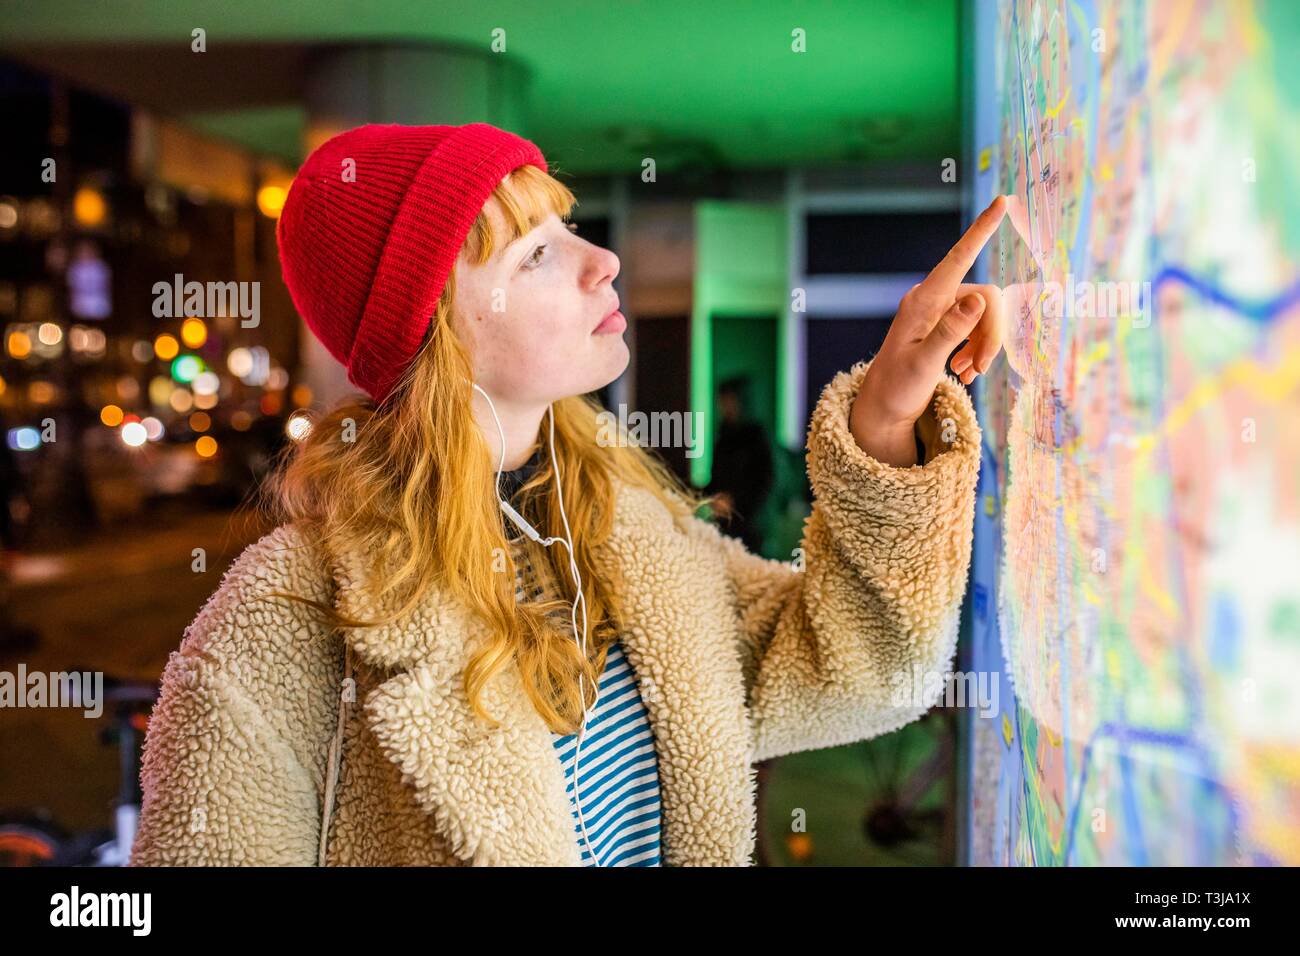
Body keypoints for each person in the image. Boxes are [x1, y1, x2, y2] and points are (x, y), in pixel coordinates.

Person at [128, 122, 1009, 867]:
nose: (604, 260)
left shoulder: (628, 536)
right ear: (438, 332)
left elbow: (860, 673)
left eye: (567, 226)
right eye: (538, 252)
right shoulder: (282, 619)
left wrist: (891, 415)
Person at [705, 375, 774, 554]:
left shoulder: (758, 438)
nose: (724, 406)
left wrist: (734, 502)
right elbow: (715, 478)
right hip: (723, 523)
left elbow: (765, 483)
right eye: (722, 400)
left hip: (751, 525)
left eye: (729, 400)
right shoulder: (723, 437)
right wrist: (713, 498)